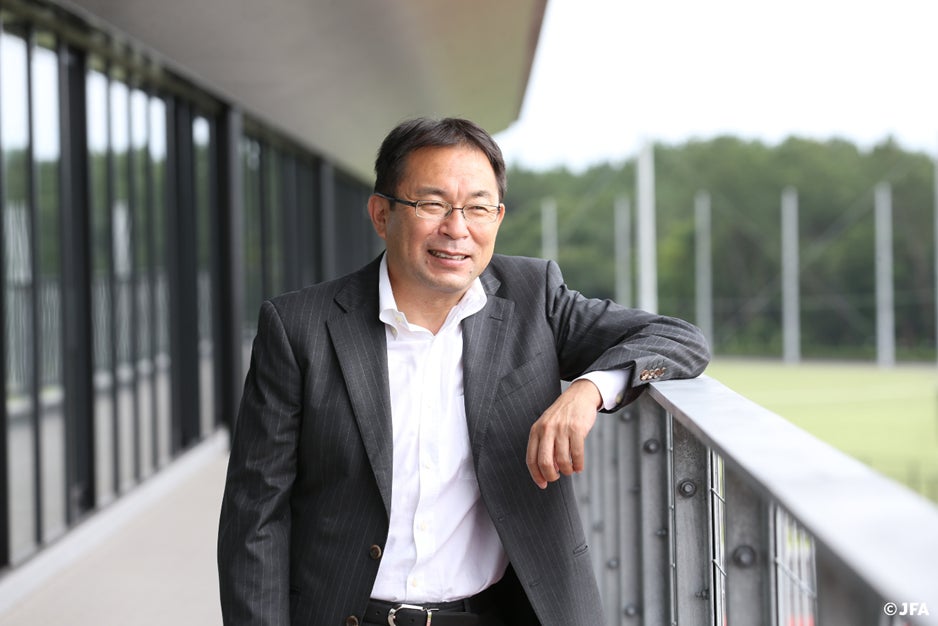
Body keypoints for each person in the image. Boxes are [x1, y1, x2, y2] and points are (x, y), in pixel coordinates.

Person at [217, 117, 710, 626]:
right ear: (382, 214)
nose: (457, 229)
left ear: (497, 217)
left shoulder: (533, 298)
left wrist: (588, 390)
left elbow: (679, 339)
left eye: (478, 207)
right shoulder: (299, 326)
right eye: (432, 204)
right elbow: (255, 515)